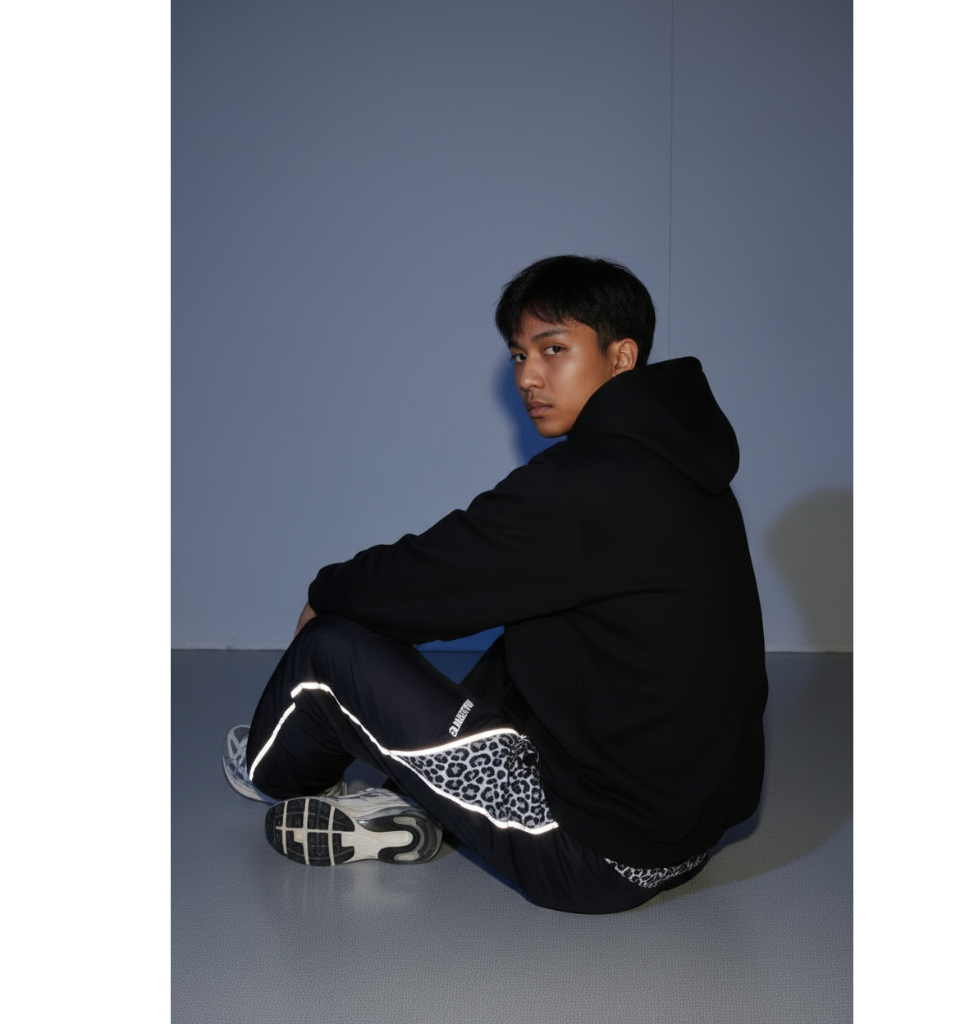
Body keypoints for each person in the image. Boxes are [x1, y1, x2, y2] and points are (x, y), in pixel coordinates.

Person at [222, 255, 768, 914]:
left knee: (328, 649)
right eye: (518, 356)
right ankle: (409, 801)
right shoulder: (690, 470)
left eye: (553, 350)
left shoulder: (578, 485)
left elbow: (428, 577)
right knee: (539, 623)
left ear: (621, 357)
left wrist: (326, 591)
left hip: (594, 854)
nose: (528, 377)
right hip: (690, 836)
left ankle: (266, 766)